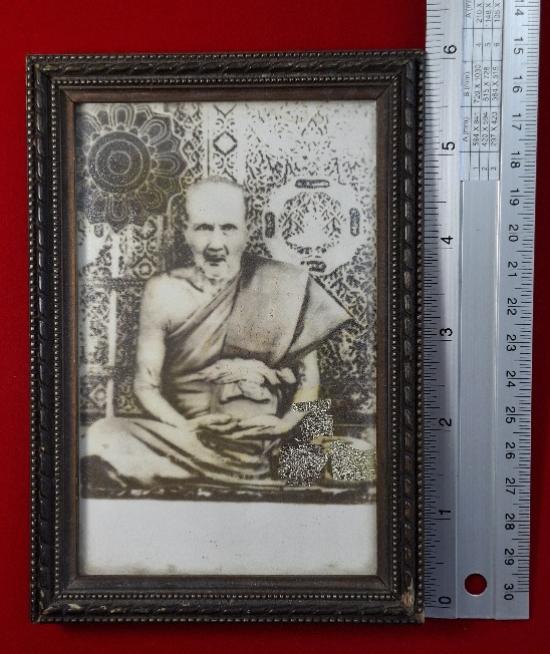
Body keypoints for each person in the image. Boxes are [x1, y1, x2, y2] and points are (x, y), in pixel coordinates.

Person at [81, 177, 352, 491]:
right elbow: (145, 386)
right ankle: (225, 477)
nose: (215, 243)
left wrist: (284, 425)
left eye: (228, 228)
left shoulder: (283, 286)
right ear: (185, 231)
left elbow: (309, 385)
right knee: (102, 435)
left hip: (262, 443)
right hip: (186, 439)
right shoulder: (163, 291)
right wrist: (187, 427)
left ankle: (191, 475)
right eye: (203, 228)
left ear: (247, 231)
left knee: (354, 456)